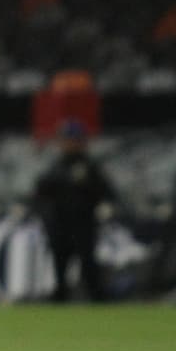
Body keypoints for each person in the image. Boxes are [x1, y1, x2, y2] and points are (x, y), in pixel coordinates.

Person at [34, 119, 115, 302]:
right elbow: (41, 196)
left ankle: (97, 300)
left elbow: (106, 193)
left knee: (88, 265)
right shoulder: (54, 167)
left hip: (84, 224)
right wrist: (46, 217)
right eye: (67, 139)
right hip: (60, 225)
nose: (71, 143)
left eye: (75, 139)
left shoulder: (91, 167)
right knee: (59, 266)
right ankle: (59, 299)